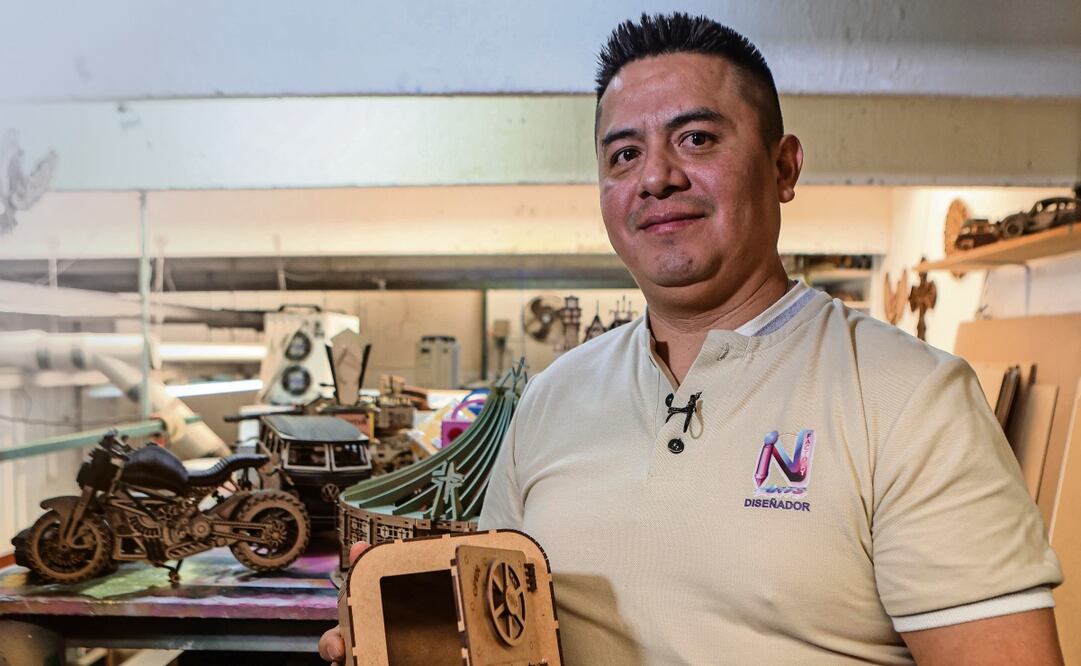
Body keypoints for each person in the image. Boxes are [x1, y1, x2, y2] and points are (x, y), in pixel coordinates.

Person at [321, 13, 1063, 664]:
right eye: (623, 155)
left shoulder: (908, 400)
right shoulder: (551, 402)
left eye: (696, 138)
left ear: (783, 167)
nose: (656, 178)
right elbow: (502, 636)